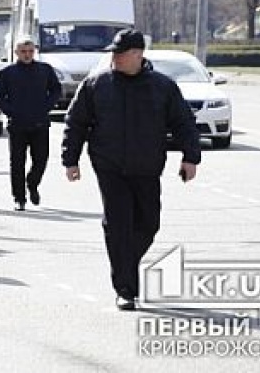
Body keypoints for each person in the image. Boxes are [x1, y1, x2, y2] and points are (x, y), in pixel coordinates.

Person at [61, 29, 201, 311]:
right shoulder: (96, 84)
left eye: (120, 53)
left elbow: (183, 123)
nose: (114, 58)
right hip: (109, 165)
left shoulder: (163, 86)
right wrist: (71, 159)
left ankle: (126, 262)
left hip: (147, 166)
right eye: (113, 53)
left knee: (149, 224)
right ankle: (126, 288)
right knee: (118, 224)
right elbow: (76, 122)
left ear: (138, 55)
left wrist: (190, 157)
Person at [0, 36, 61, 211]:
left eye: (30, 51)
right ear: (16, 53)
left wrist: (46, 106)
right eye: (23, 51)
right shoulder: (7, 73)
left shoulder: (45, 70)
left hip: (40, 123)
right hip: (17, 124)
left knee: (41, 159)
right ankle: (19, 197)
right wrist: (11, 111)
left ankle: (32, 183)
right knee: (17, 162)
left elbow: (56, 90)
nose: (27, 55)